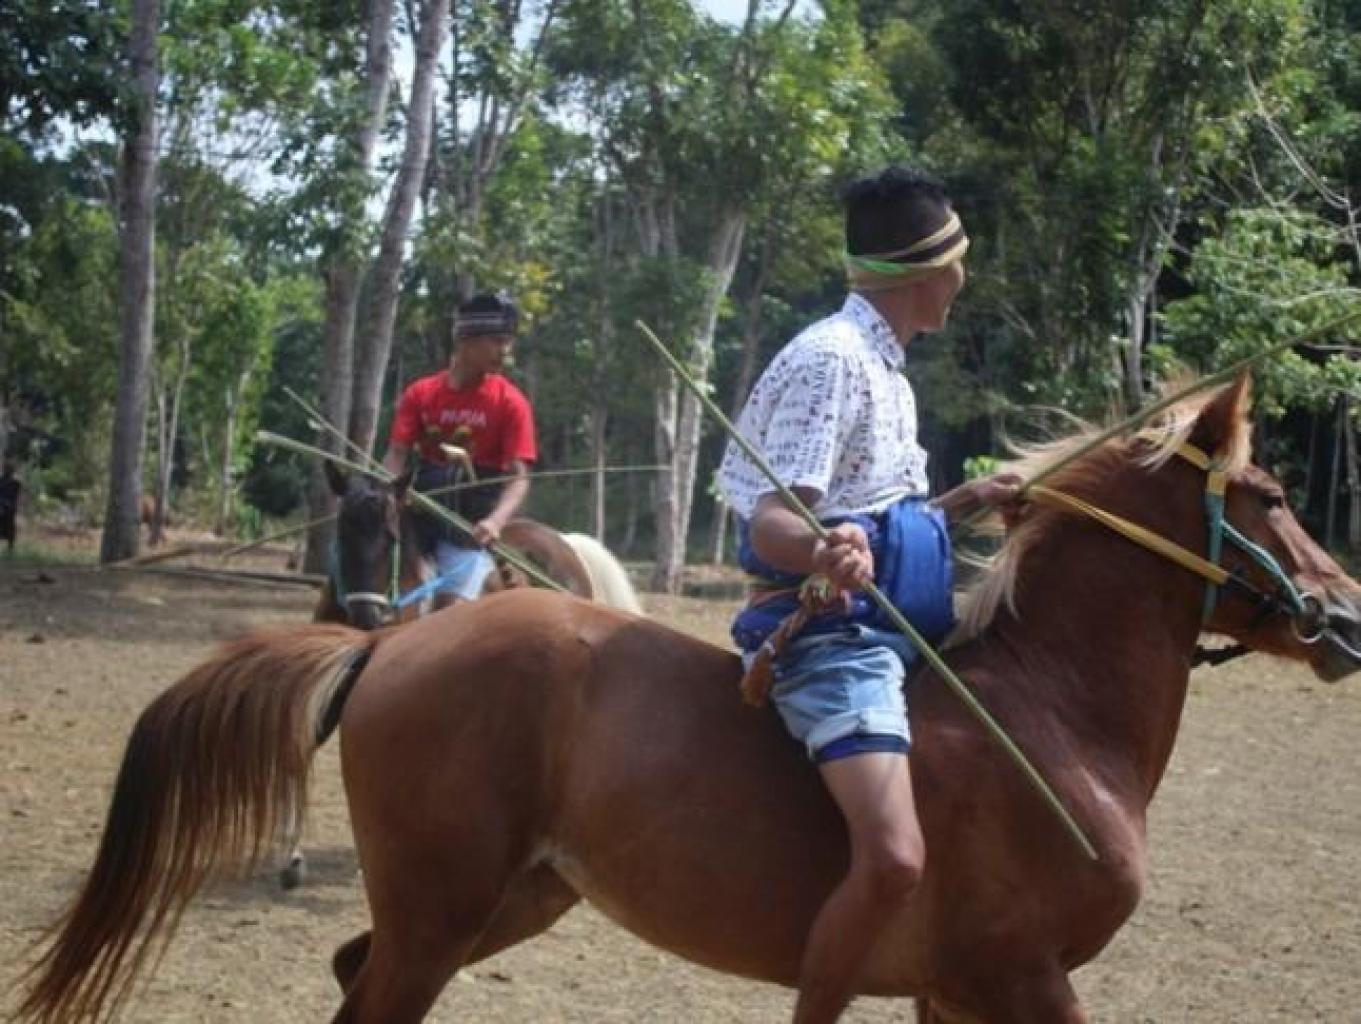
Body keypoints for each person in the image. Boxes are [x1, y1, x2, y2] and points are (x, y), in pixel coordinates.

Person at [717, 166, 1022, 1024]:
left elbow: (881, 513)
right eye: (959, 260)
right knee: (893, 859)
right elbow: (772, 521)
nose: (964, 277)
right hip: (831, 637)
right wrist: (822, 549)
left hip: (901, 633)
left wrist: (965, 501)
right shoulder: (832, 361)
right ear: (928, 270)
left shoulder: (887, 367)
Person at [382, 293, 538, 607]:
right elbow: (397, 454)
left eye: (507, 342)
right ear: (466, 341)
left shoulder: (511, 402)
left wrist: (495, 522)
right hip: (418, 518)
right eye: (496, 341)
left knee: (451, 611)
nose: (504, 351)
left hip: (468, 529)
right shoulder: (421, 394)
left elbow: (519, 477)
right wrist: (387, 495)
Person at [0, 460, 20, 556]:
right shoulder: (12, 482)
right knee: (6, 527)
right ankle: (10, 549)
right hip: (4, 506)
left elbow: (15, 496)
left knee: (10, 528)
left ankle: (10, 549)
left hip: (9, 508)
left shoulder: (15, 483)